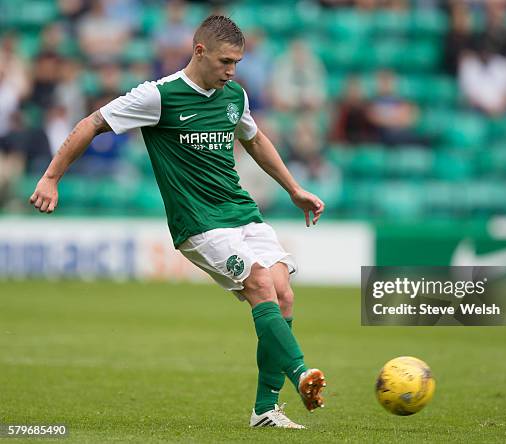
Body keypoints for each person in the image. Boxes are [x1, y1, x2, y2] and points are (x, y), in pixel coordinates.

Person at [29, 15, 326, 429]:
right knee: (260, 283)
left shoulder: (234, 95)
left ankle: (265, 411)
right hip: (200, 223)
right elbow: (92, 124)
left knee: (283, 293)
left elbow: (255, 139)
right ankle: (301, 374)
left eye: (237, 63)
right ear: (199, 51)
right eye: (225, 61)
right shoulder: (159, 96)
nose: (232, 71)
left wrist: (294, 189)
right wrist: (51, 177)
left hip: (242, 212)